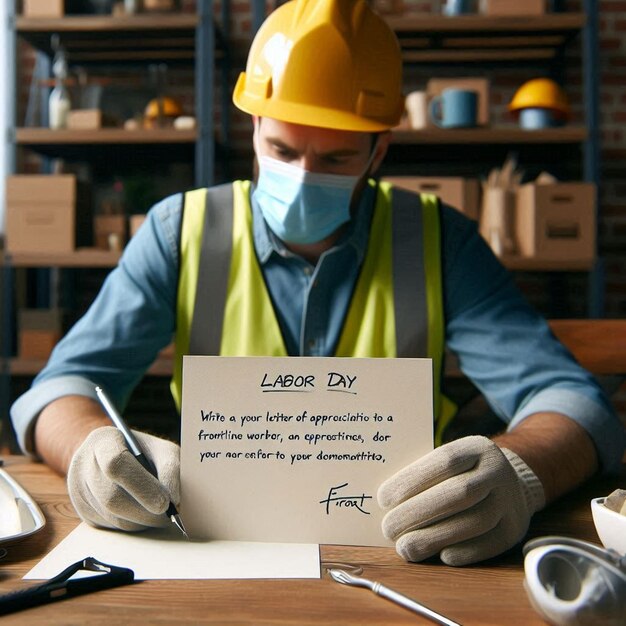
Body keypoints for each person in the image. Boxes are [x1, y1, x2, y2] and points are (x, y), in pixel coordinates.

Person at [10, 0, 624, 566]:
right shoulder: (180, 232)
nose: (303, 179)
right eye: (281, 149)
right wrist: (90, 449)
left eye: (335, 160)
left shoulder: (442, 241)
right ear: (252, 127)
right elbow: (57, 391)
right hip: (213, 547)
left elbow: (573, 403)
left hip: (404, 546)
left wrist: (519, 471)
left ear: (379, 150)